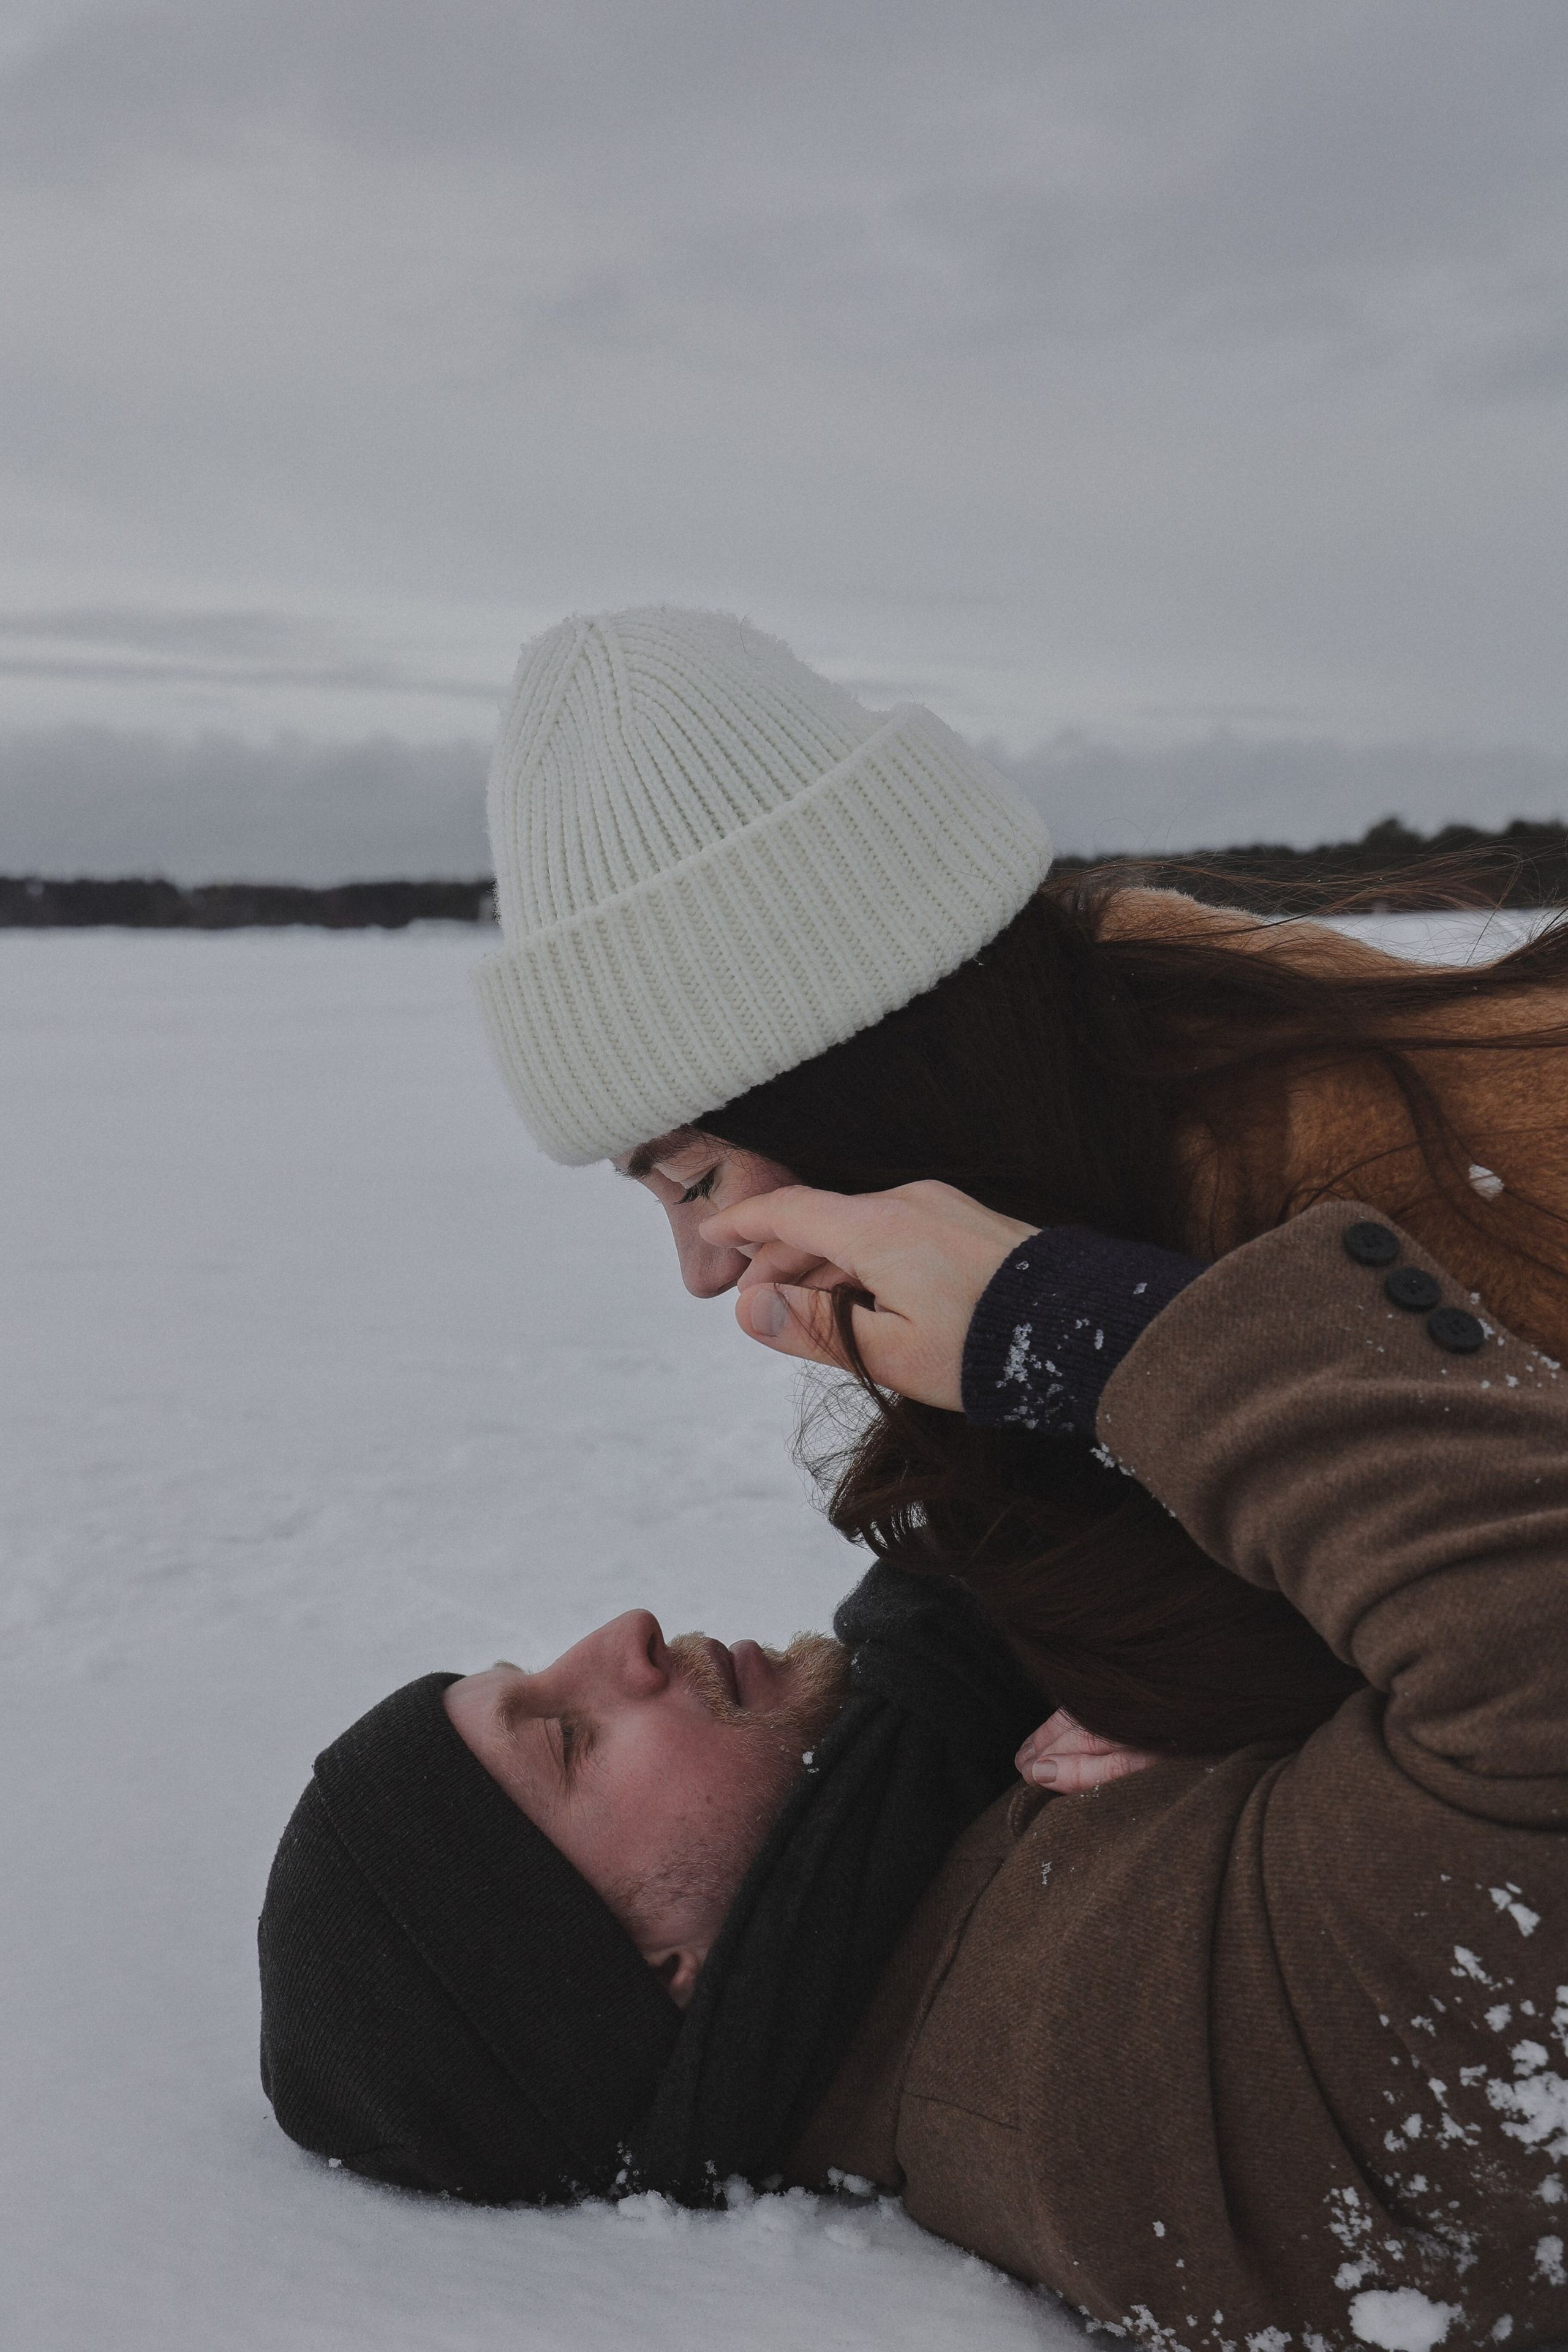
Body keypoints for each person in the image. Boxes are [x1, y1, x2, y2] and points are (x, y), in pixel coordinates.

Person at [260, 1194, 1568, 2350]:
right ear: (660, 1975)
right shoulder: (1102, 2092)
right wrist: (1083, 1331)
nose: (624, 1638)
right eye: (570, 1738)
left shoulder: (947, 1816)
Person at [475, 605, 1568, 1755]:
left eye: (695, 1180)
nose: (701, 1271)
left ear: (863, 1091)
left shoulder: (1467, 1174)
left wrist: (1094, 1335)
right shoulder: (1124, 1143)